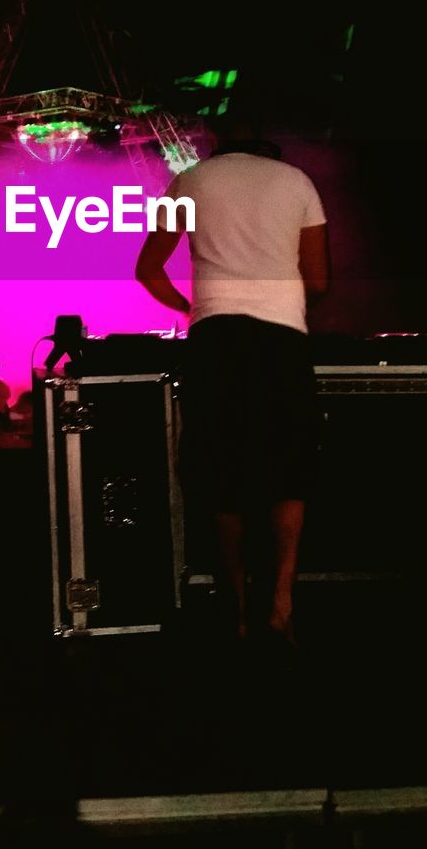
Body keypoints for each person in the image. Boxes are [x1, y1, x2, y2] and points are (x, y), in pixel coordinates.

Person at [136, 107, 330, 645]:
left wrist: (191, 307)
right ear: (264, 133)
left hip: (216, 337)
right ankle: (282, 604)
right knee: (289, 467)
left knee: (221, 470)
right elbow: (317, 279)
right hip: (282, 338)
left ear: (214, 137)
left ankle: (238, 612)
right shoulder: (297, 181)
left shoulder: (190, 180)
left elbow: (148, 269)